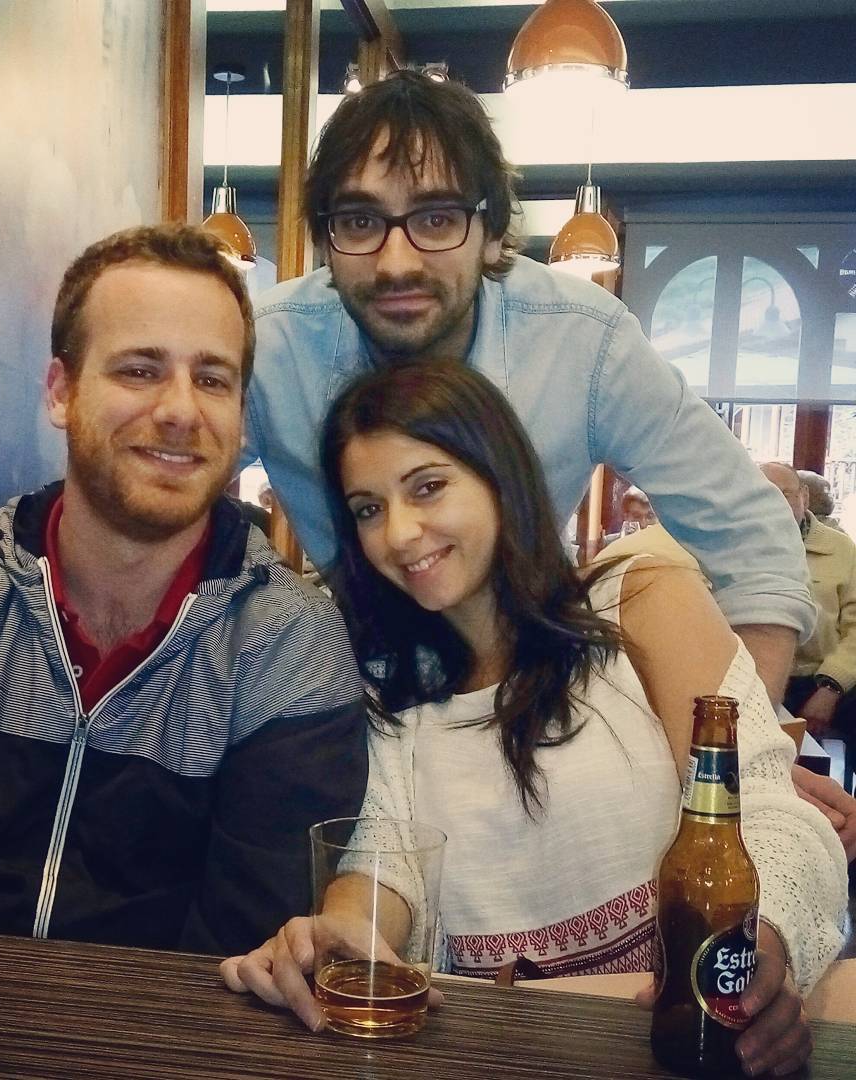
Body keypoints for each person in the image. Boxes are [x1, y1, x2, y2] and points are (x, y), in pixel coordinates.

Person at [223, 362, 848, 1078]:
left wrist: (760, 949)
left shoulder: (639, 602)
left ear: (500, 478)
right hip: (495, 1050)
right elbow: (385, 861)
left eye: (428, 487)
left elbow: (765, 809)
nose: (398, 532)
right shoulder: (389, 683)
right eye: (368, 509)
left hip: (674, 1039)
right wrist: (339, 933)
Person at [0, 225, 368, 955]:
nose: (181, 410)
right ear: (61, 392)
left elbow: (244, 959)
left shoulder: (291, 646)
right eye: (139, 370)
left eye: (212, 379)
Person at [242, 70, 812, 709]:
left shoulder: (582, 339)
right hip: (348, 690)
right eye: (358, 221)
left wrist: (738, 748)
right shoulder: (269, 348)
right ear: (326, 240)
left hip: (533, 692)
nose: (396, 263)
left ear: (492, 235)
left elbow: (752, 536)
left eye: (437, 218)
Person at [763, 462, 856, 748]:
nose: (775, 504)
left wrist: (831, 687)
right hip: (755, 674)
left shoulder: (841, 549)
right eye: (764, 495)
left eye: (785, 494)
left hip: (821, 677)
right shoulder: (731, 547)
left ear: (804, 496)